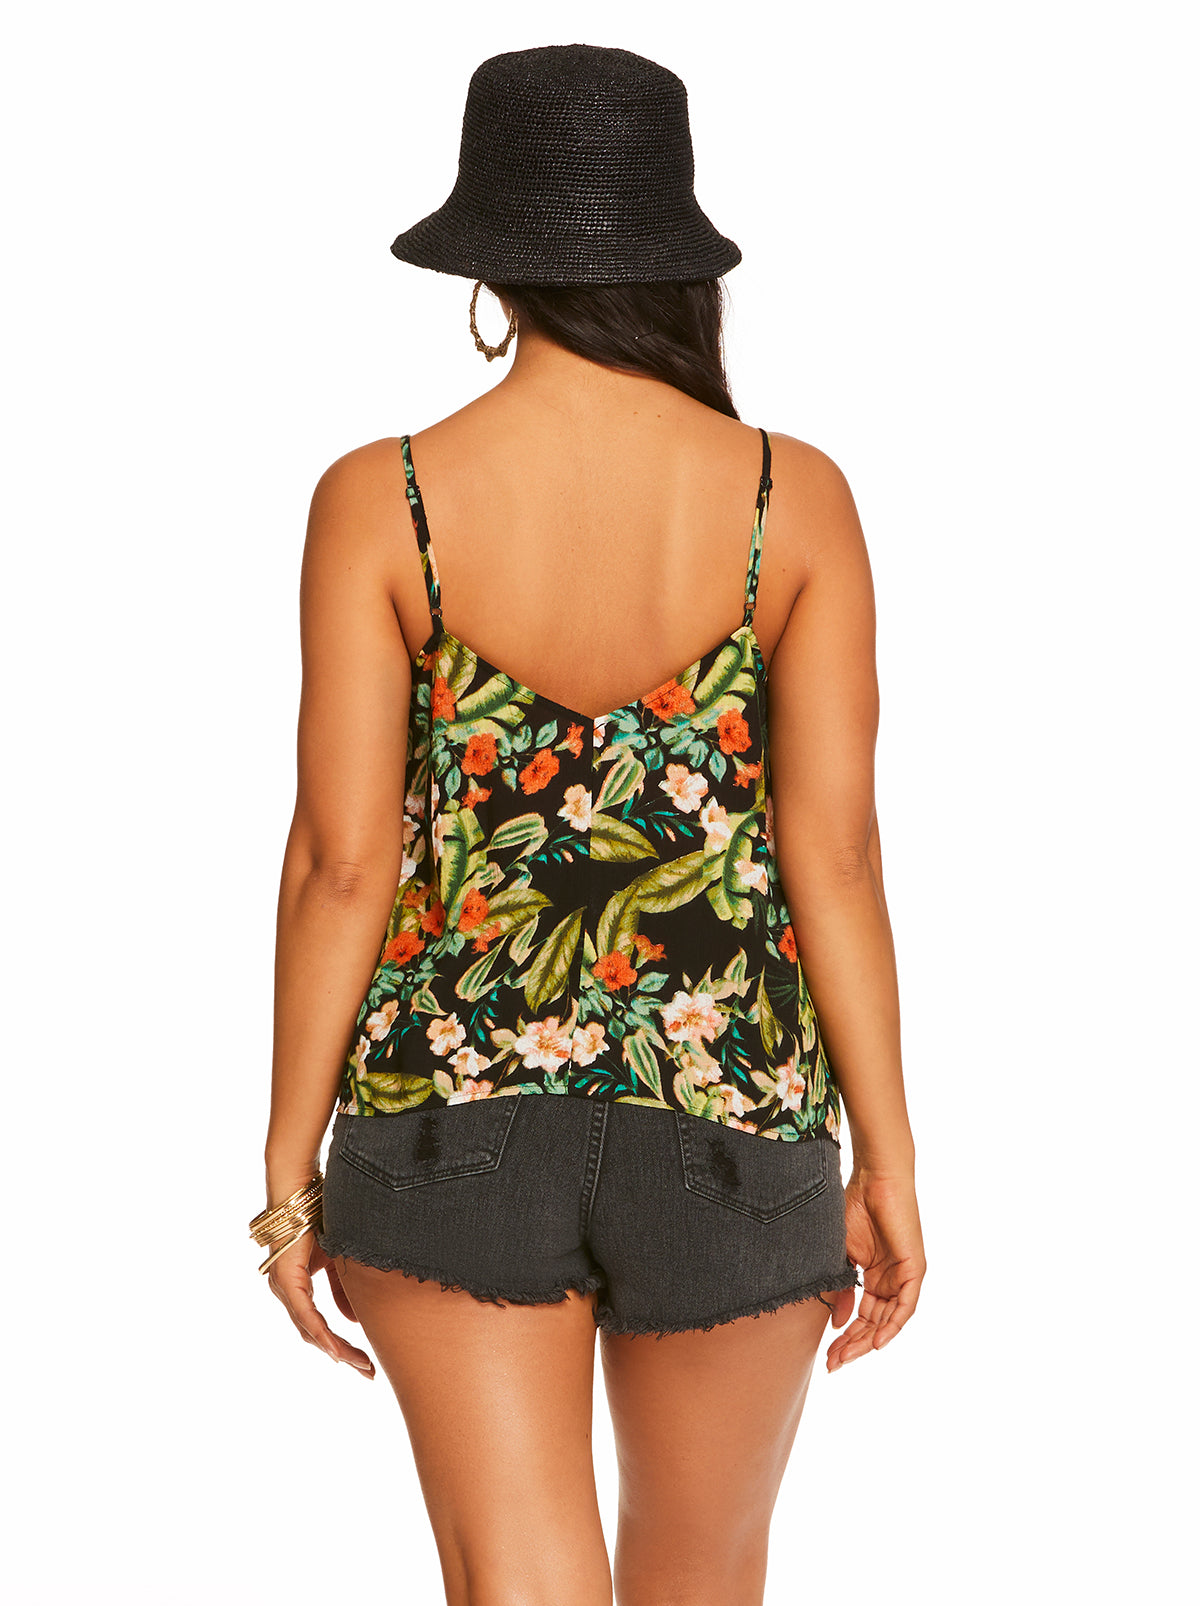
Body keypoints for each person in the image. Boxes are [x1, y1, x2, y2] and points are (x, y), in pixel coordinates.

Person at [252, 42, 925, 1606]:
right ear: (679, 258)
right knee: (704, 1579)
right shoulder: (792, 500)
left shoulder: (382, 498)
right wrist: (889, 1154)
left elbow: (342, 861)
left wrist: (288, 1173)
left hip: (448, 1113)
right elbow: (835, 855)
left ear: (489, 275)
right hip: (735, 1119)